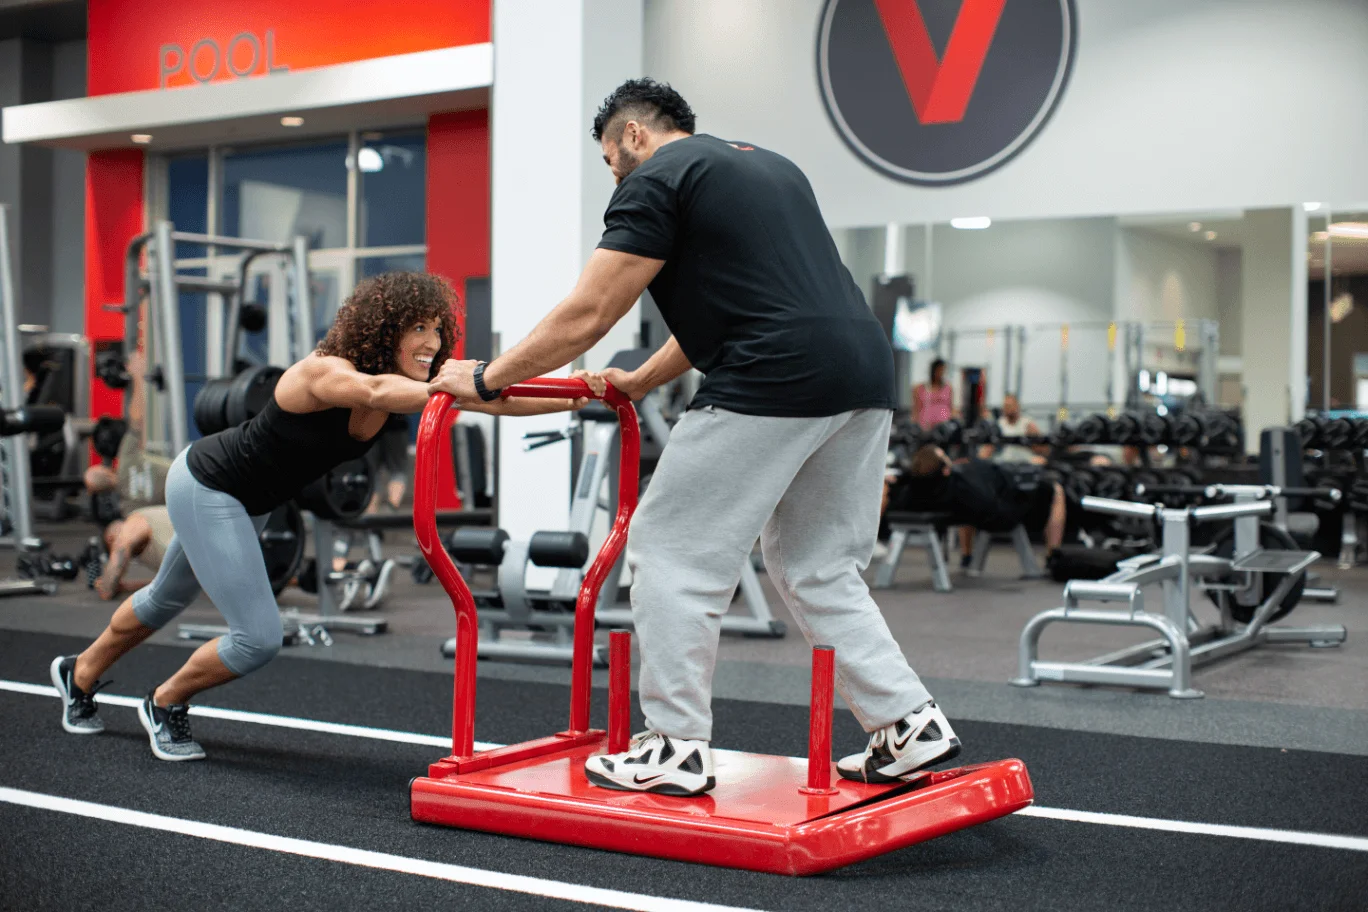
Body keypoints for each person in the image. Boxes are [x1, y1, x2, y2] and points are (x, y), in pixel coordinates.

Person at [432, 78, 958, 797]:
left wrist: (488, 377)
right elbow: (742, 298)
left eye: (611, 161)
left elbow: (589, 312)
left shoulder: (656, 177)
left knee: (672, 550)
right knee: (817, 566)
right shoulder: (768, 169)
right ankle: (908, 722)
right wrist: (643, 381)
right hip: (863, 375)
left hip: (771, 374)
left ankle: (675, 744)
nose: (615, 176)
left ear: (634, 136)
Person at [51, 272, 605, 761]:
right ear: (382, 330)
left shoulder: (413, 384)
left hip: (253, 501)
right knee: (257, 638)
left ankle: (77, 675)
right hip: (207, 484)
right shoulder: (322, 374)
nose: (431, 342)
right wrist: (458, 380)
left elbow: (492, 397)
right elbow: (376, 388)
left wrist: (580, 393)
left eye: (437, 330)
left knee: (163, 598)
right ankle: (165, 701)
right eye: (418, 329)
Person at [890, 445, 1066, 552]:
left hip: (965, 509)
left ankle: (967, 556)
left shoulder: (916, 487)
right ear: (945, 469)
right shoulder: (962, 486)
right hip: (996, 514)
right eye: (945, 456)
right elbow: (990, 503)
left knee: (964, 507)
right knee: (1055, 490)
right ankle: (1054, 554)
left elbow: (910, 476)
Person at [912, 358, 955, 430]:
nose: (941, 373)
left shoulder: (948, 388)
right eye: (939, 370)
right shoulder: (920, 388)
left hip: (944, 426)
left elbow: (951, 407)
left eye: (943, 370)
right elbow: (916, 409)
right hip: (925, 426)